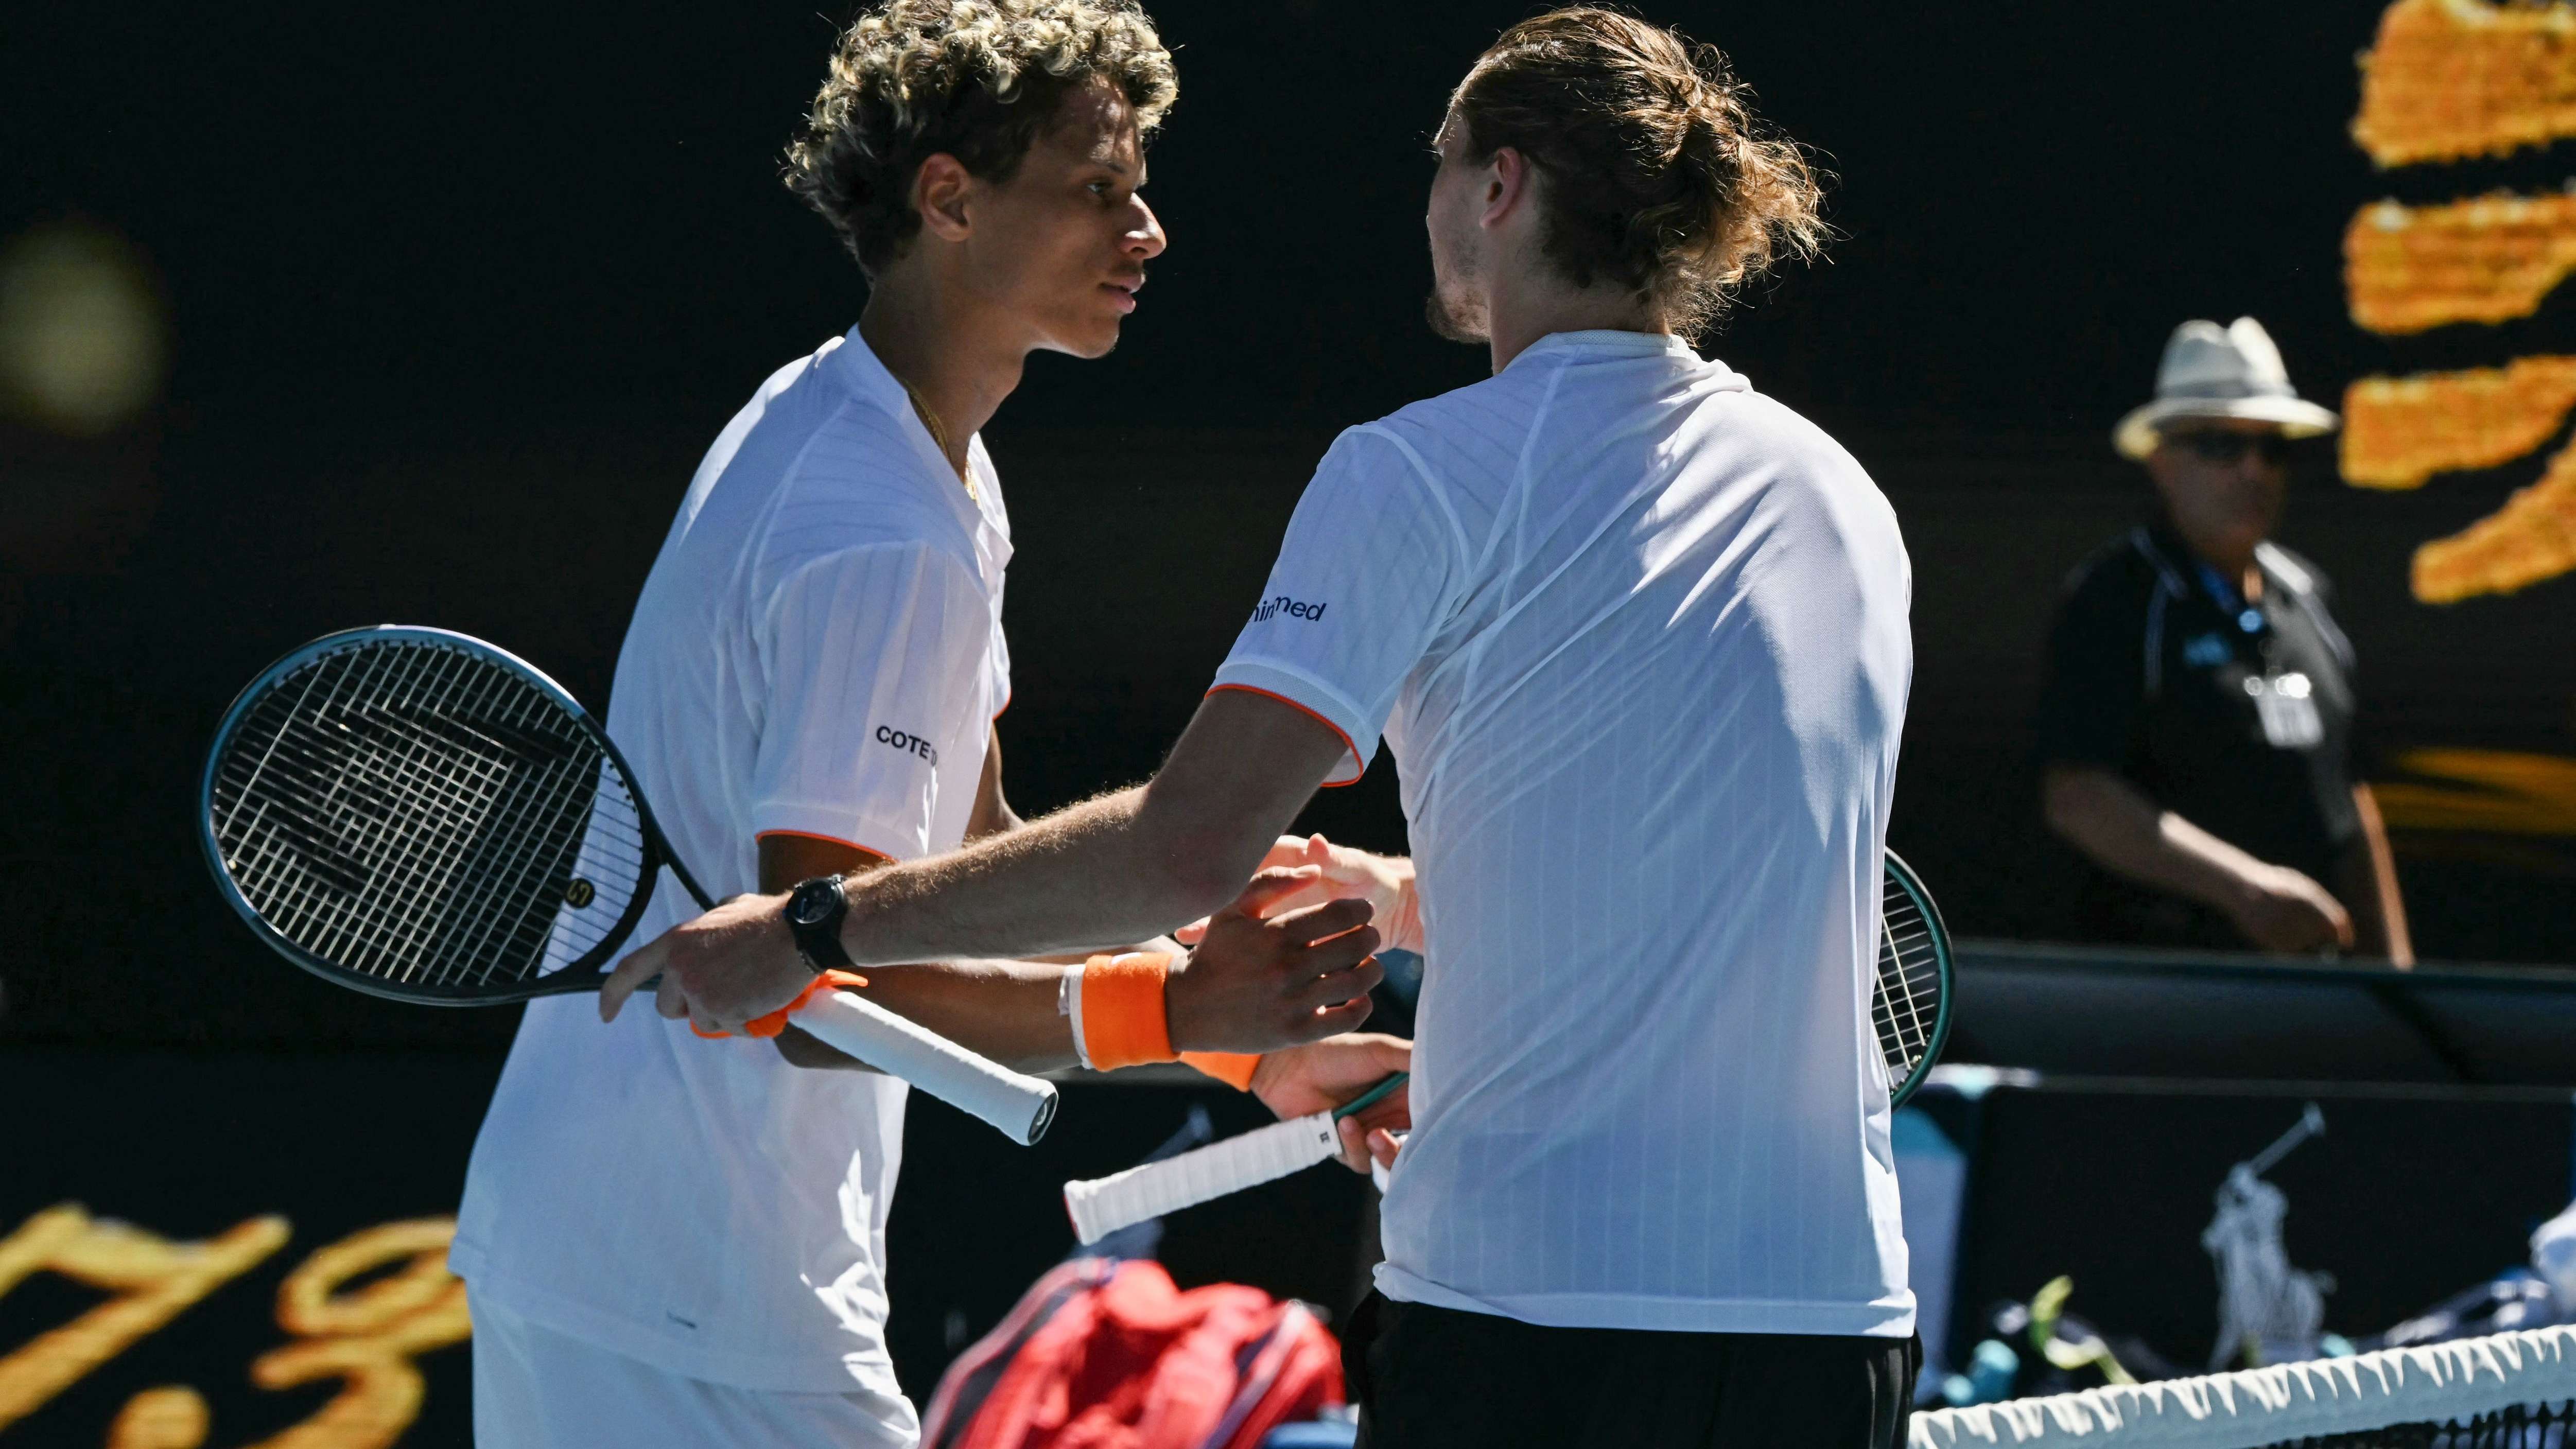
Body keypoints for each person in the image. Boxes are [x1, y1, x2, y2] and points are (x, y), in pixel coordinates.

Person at [611, 9, 1923, 1444]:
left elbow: (1181, 848)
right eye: (1103, 190)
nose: (1150, 231)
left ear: (1499, 187)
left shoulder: (1412, 471)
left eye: (1440, 164)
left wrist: (806, 930)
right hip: (1833, 1326)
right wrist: (1390, 914)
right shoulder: (1846, 499)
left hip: (1526, 1322)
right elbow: (1745, 878)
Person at [451, 5, 1406, 1445]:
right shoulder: (879, 529)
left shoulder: (875, 440)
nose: (1144, 231)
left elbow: (969, 865)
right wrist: (1179, 1004)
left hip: (625, 1261)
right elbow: (818, 990)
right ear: (949, 198)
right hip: (694, 1302)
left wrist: (1235, 1048)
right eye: (1096, 191)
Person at [2037, 317, 2413, 963]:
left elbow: (2349, 804)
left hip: (2317, 995)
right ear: (2160, 459)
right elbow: (2077, 796)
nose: (2252, 471)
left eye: (2273, 448)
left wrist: (2400, 981)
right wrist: (2245, 891)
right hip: (2167, 994)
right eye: (2219, 445)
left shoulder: (2309, 597)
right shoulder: (2115, 598)